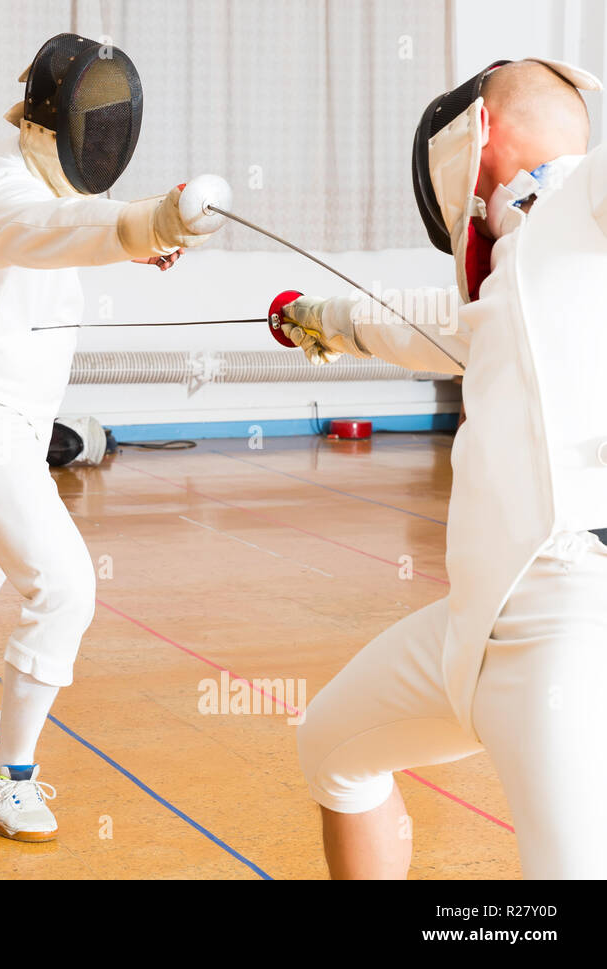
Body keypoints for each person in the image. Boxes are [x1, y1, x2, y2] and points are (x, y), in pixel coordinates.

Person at [281, 59, 607, 878]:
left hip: (566, 615)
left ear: (480, 135)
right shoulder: (513, 283)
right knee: (334, 745)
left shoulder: (584, 205)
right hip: (472, 627)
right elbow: (426, 325)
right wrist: (318, 319)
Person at [0, 33, 224, 841]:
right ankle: (6, 775)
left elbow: (66, 225)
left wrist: (140, 239)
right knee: (66, 587)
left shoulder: (35, 181)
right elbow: (44, 230)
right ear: (54, 122)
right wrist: (147, 221)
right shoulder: (2, 188)